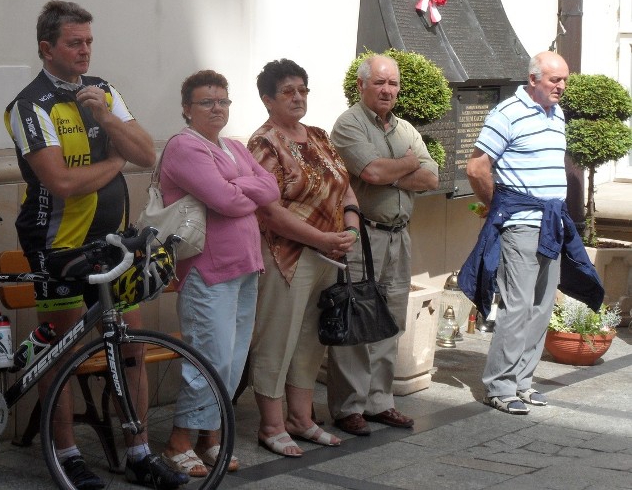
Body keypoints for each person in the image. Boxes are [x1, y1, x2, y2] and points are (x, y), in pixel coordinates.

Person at [4, 0, 188, 490]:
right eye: (74, 43)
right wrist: (114, 163)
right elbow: (61, 182)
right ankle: (65, 454)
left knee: (128, 348)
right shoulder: (29, 105)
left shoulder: (102, 92)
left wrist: (106, 121)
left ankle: (139, 451)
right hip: (57, 245)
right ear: (47, 48)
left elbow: (146, 152)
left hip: (113, 242)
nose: (85, 51)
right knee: (61, 354)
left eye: (89, 42)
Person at [459, 51, 603, 415]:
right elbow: (476, 167)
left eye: (565, 80)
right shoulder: (507, 113)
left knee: (541, 306)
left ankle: (523, 382)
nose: (562, 86)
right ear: (534, 79)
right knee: (518, 305)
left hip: (552, 223)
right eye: (555, 80)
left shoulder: (557, 117)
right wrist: (497, 206)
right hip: (521, 222)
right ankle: (500, 386)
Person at [158, 70, 279, 476]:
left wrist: (237, 184)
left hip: (245, 265)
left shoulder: (232, 147)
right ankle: (178, 442)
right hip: (207, 270)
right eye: (206, 102)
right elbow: (225, 200)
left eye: (223, 101)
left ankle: (210, 437)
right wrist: (242, 188)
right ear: (187, 109)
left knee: (231, 360)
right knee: (207, 359)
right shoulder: (183, 147)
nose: (217, 108)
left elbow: (271, 187)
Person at [247, 58, 361, 458]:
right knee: (276, 340)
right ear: (267, 100)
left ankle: (300, 418)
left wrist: (349, 228)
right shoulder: (263, 144)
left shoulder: (317, 136)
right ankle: (272, 425)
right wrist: (321, 239)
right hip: (286, 255)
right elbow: (268, 210)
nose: (297, 98)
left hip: (328, 253)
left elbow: (345, 188)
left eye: (302, 90)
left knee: (312, 340)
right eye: (287, 92)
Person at [326, 54, 439, 436]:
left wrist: (389, 170)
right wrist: (402, 165)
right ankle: (349, 407)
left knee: (390, 321)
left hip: (399, 235)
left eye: (393, 84)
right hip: (363, 235)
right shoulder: (348, 124)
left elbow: (431, 179)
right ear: (361, 86)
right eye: (379, 83)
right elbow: (368, 171)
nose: (387, 90)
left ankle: (380, 401)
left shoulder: (406, 129)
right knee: (356, 316)